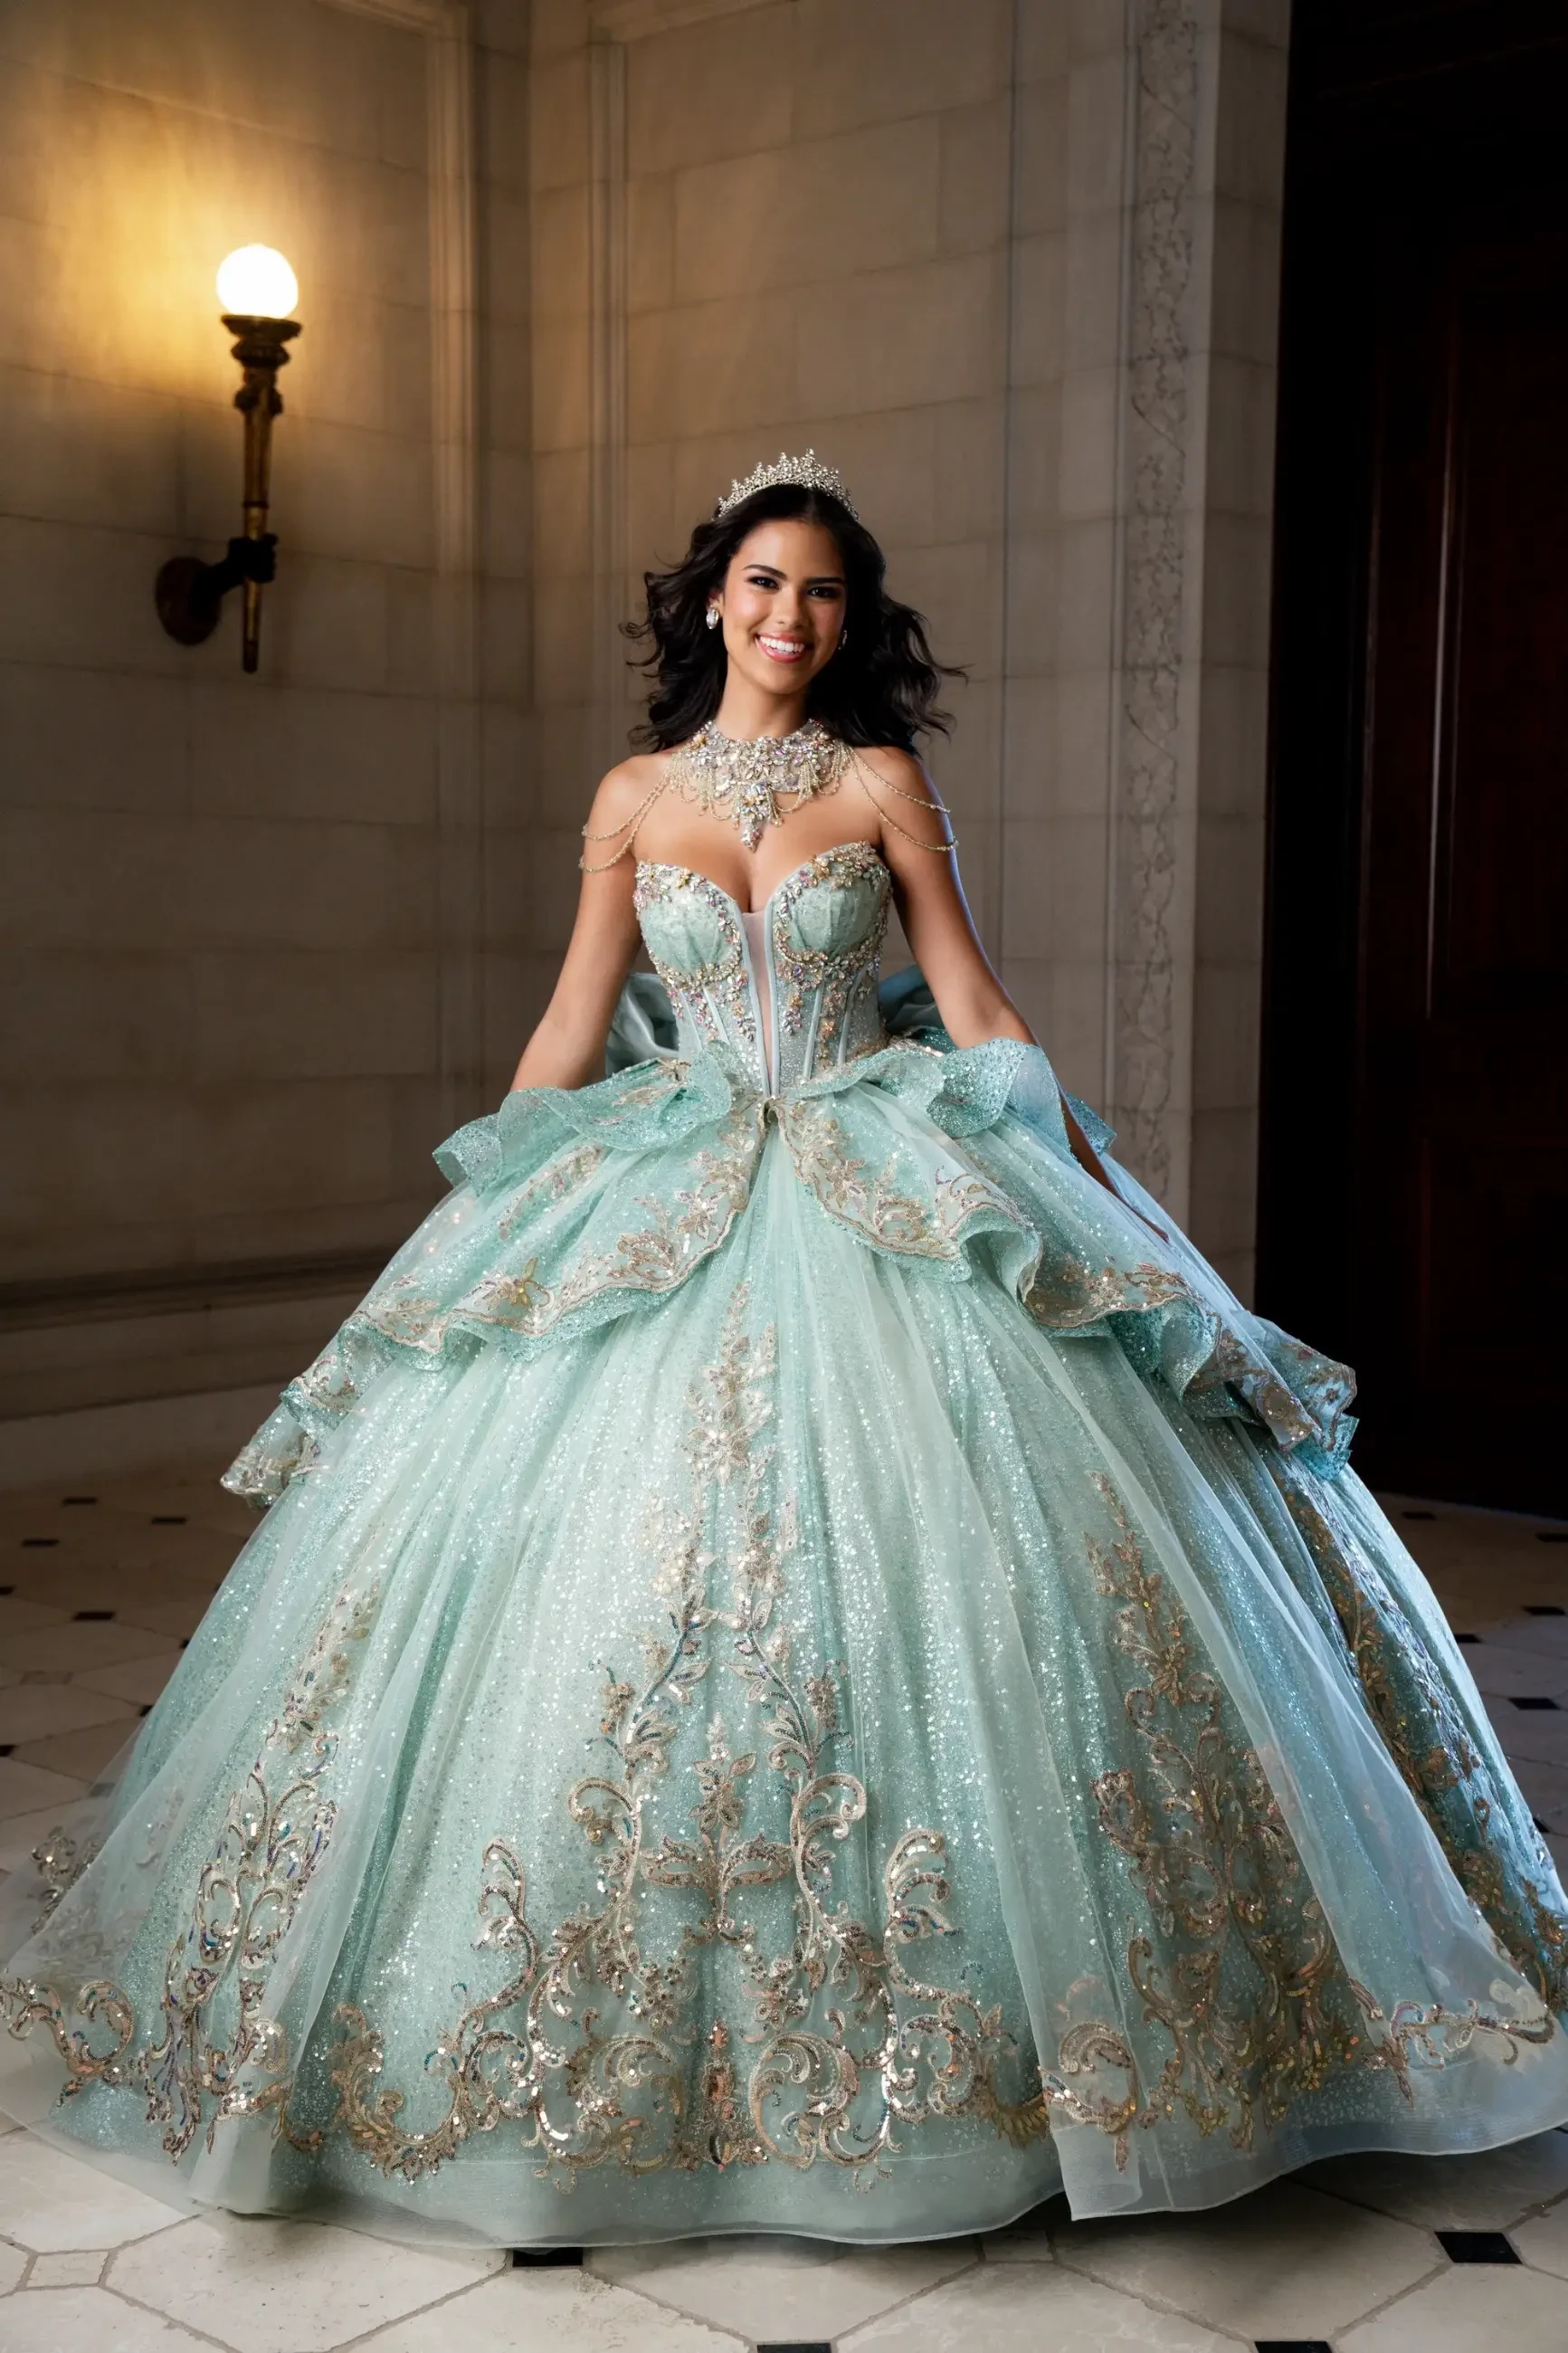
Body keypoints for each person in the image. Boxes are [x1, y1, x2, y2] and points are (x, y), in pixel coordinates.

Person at [3, 454, 1565, 2251]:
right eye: (759, 582)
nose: (786, 616)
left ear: (848, 616)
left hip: (868, 1154)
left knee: (977, 1570)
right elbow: (570, 1031)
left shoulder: (881, 781)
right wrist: (478, 1224)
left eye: (819, 591)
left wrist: (1069, 1170)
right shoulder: (631, 796)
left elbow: (965, 997)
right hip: (672, 1169)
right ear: (711, 598)